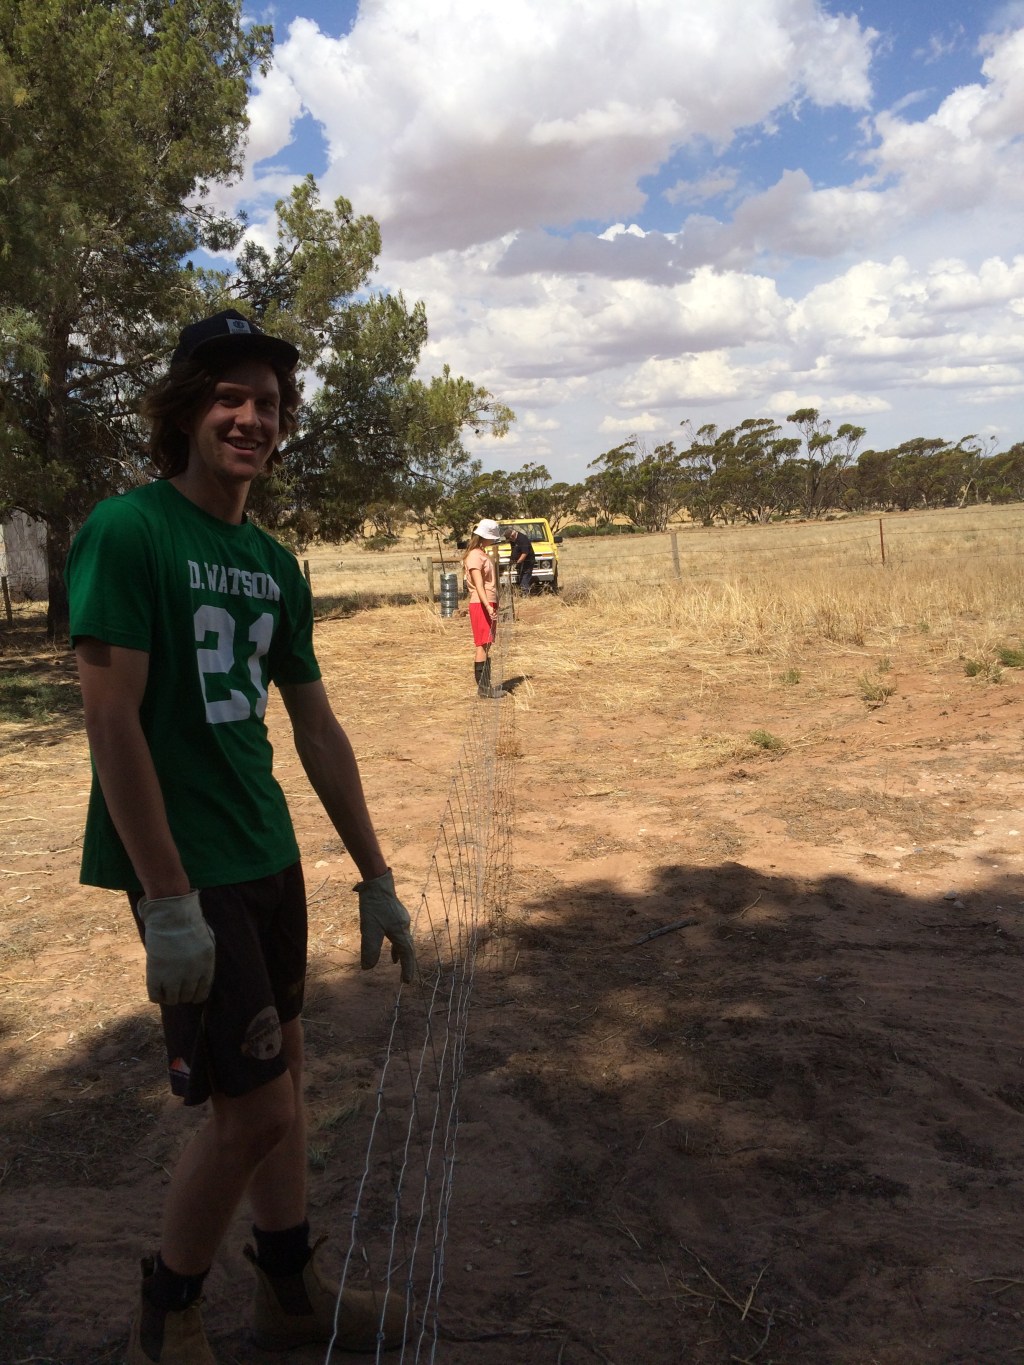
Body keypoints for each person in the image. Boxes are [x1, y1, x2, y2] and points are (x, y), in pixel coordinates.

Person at [65, 309, 416, 1364]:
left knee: (288, 1084)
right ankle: (168, 1312)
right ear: (185, 410)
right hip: (191, 871)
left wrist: (375, 873)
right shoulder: (128, 531)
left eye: (266, 402)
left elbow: (313, 723)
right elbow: (110, 719)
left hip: (266, 856)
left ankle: (289, 1290)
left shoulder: (275, 562)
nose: (251, 417)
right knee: (253, 1111)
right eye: (229, 397)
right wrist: (165, 899)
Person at [461, 518, 506, 698]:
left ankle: (486, 686)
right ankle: (483, 688)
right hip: (481, 603)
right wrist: (487, 606)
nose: (494, 540)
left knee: (486, 644)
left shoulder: (482, 553)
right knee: (481, 644)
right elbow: (478, 585)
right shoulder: (474, 556)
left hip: (488, 602)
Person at [507, 525, 536, 596]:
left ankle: (525, 595)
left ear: (512, 536)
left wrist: (518, 562)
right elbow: (514, 550)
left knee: (525, 578)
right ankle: (522, 593)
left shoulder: (523, 539)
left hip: (528, 561)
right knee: (521, 577)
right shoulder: (513, 540)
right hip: (520, 562)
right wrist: (512, 560)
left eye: (510, 539)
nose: (510, 541)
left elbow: (524, 553)